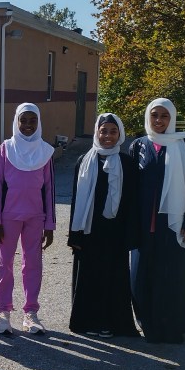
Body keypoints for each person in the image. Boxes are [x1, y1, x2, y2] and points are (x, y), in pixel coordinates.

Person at [128, 97, 185, 344]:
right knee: (141, 274)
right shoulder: (139, 145)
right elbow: (131, 189)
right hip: (144, 223)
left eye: (164, 115)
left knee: (172, 274)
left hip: (175, 222)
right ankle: (148, 324)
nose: (159, 120)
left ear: (172, 118)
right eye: (154, 115)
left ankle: (172, 326)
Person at [67, 113, 139, 338]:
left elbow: (133, 202)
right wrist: (74, 236)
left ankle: (110, 323)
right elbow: (76, 200)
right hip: (89, 231)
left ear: (120, 134)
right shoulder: (84, 161)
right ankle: (87, 322)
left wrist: (131, 235)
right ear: (96, 133)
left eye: (112, 131)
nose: (108, 136)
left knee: (113, 279)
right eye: (103, 131)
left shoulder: (127, 164)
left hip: (115, 233)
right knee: (89, 278)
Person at [0, 102, 55, 335]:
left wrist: (50, 225)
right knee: (5, 263)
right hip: (8, 217)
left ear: (39, 123)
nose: (28, 125)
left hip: (36, 217)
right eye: (23, 120)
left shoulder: (45, 152)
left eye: (32, 120)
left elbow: (49, 189)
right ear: (16, 122)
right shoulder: (6, 149)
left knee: (33, 264)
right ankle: (3, 311)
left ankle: (31, 313)